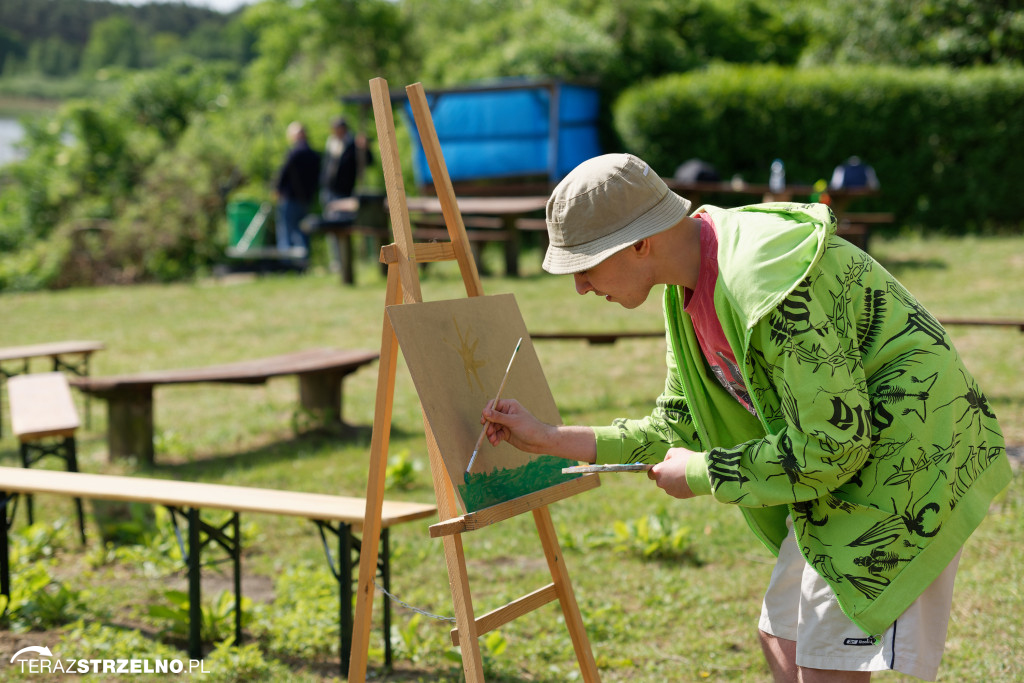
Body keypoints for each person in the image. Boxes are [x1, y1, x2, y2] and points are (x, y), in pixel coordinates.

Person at [481, 153, 1010, 682]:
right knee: (783, 634)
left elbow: (833, 447)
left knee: (824, 662)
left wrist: (701, 473)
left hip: (909, 456)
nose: (580, 287)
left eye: (585, 266)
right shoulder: (685, 290)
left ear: (639, 243)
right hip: (845, 466)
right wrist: (549, 438)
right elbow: (676, 426)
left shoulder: (764, 283)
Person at [318, 117, 373, 271]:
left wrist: (365, 148)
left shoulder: (353, 145)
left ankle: (345, 261)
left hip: (344, 192)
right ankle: (336, 261)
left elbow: (368, 161)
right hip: (328, 191)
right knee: (331, 228)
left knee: (342, 226)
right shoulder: (331, 143)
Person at [273, 121, 321, 255]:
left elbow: (284, 173)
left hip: (291, 197)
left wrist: (278, 189)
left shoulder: (294, 153)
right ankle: (303, 260)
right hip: (307, 198)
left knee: (286, 231)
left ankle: (288, 261)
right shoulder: (314, 155)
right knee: (304, 230)